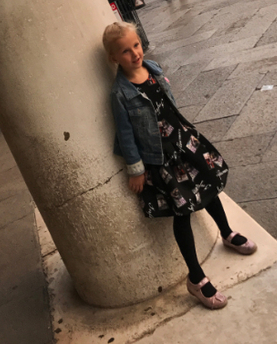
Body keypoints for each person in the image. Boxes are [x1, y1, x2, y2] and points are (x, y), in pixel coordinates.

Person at [104, 21, 257, 310]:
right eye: (125, 51)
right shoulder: (120, 94)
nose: (135, 53)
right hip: (161, 157)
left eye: (136, 45)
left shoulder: (153, 68)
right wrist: (136, 169)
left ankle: (226, 232)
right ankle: (196, 277)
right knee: (183, 210)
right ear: (114, 58)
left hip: (183, 143)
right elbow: (125, 134)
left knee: (209, 188)